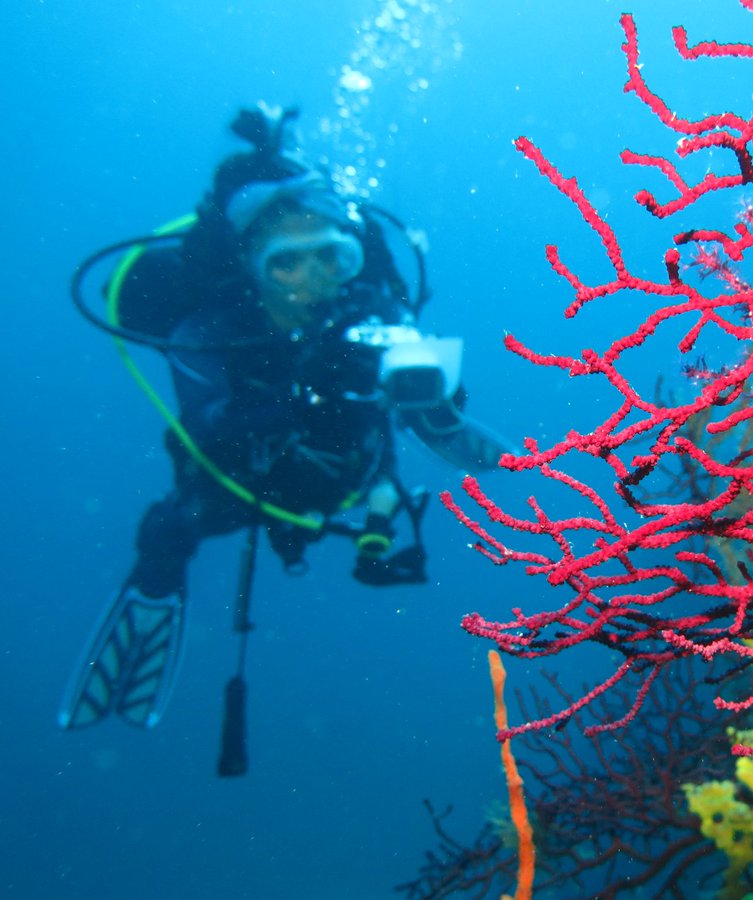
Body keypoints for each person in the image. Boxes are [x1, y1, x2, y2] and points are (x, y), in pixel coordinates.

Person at [59, 103, 510, 731]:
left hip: (355, 479)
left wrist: (434, 397)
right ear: (249, 264)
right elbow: (209, 425)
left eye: (331, 256)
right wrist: (308, 394)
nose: (313, 280)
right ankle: (151, 598)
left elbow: (441, 419)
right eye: (286, 262)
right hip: (241, 481)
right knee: (170, 527)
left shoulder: (373, 311)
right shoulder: (209, 330)